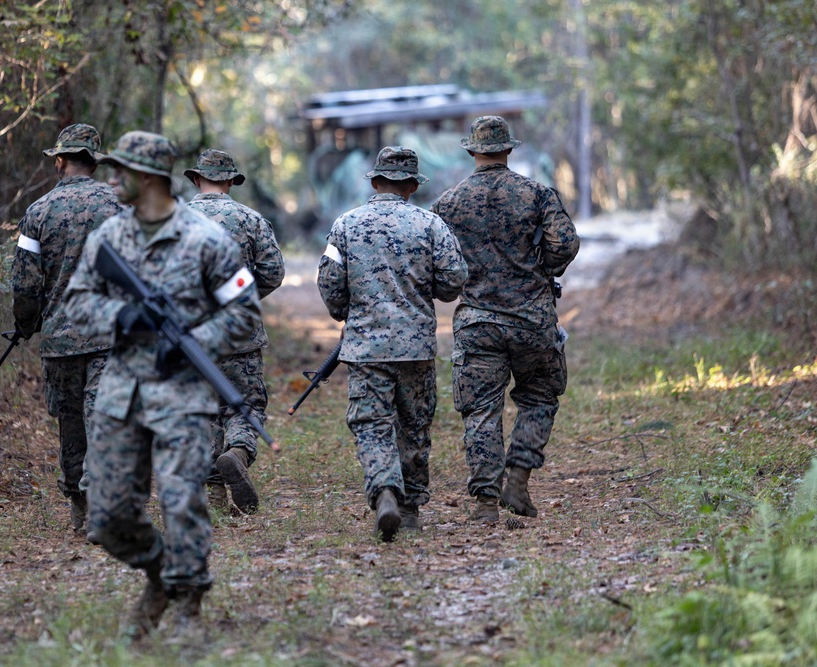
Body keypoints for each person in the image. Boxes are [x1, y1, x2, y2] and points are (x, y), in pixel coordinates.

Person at [63, 131, 261, 638]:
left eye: (120, 171)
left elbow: (243, 314)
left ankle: (189, 608)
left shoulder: (208, 240)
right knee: (106, 517)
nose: (111, 179)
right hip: (121, 393)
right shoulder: (108, 238)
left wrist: (193, 338)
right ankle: (158, 572)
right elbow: (77, 306)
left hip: (183, 395)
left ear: (148, 177)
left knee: (181, 501)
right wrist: (125, 315)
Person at [431, 116, 580, 523]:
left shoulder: (447, 204)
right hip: (533, 319)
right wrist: (542, 269)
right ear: (508, 149)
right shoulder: (536, 194)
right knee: (540, 395)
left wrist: (460, 283)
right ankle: (518, 477)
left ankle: (483, 504)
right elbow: (565, 243)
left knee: (481, 410)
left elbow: (436, 264)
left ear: (471, 151)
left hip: (477, 323)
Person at [317, 146, 468, 542]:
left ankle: (384, 489)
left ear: (375, 180)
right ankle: (411, 507)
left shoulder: (345, 225)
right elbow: (454, 281)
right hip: (416, 345)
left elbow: (330, 281)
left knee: (371, 423)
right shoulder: (431, 225)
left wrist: (344, 312)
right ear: (414, 185)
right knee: (414, 425)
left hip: (365, 348)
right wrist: (425, 292)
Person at [10, 123, 123, 537]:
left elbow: (25, 285)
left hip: (59, 339)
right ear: (95, 162)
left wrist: (26, 325)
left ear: (60, 161)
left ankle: (80, 501)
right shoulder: (121, 208)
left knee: (71, 423)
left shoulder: (37, 212)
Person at [185, 149, 285, 513]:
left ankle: (213, 494)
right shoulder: (250, 219)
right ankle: (239, 453)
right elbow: (273, 272)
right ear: (229, 181)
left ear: (196, 178)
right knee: (245, 404)